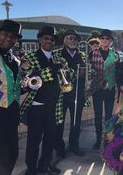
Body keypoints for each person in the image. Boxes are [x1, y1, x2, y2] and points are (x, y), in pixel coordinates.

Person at [20, 26, 70, 175]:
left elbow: (66, 76)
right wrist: (51, 71)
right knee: (33, 140)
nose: (49, 41)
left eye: (52, 39)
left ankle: (45, 166)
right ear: (40, 39)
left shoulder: (59, 58)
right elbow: (27, 81)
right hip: (37, 106)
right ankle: (31, 168)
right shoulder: (29, 58)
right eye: (46, 38)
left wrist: (68, 73)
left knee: (50, 139)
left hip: (54, 106)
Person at [0, 20, 22, 175]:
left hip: (11, 112)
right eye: (5, 34)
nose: (8, 38)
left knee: (12, 153)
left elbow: (11, 86)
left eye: (13, 36)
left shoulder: (14, 59)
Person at [53, 29, 86, 160]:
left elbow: (87, 71)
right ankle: (59, 148)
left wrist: (87, 75)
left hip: (78, 94)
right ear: (64, 40)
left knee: (75, 122)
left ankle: (74, 145)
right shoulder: (56, 54)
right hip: (61, 95)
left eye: (75, 39)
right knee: (59, 122)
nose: (72, 40)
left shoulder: (82, 55)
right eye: (69, 38)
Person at [88, 29, 118, 150]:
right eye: (103, 38)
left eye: (108, 39)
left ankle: (108, 139)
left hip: (110, 89)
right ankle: (98, 139)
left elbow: (118, 72)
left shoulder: (115, 55)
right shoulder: (92, 53)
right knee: (98, 115)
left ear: (111, 41)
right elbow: (88, 72)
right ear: (100, 40)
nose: (105, 40)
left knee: (109, 116)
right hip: (98, 90)